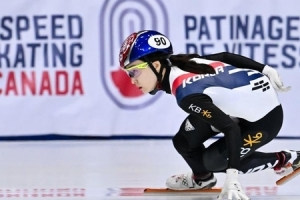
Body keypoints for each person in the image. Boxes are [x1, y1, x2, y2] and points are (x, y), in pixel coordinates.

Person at [118, 30, 299, 200]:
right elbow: (225, 56)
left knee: (214, 161)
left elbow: (230, 128)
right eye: (128, 74)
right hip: (236, 108)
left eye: (134, 71)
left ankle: (287, 158)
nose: (132, 80)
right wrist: (265, 69)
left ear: (156, 65)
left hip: (264, 120)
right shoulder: (184, 63)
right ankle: (202, 178)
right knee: (183, 141)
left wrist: (232, 179)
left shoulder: (186, 94)